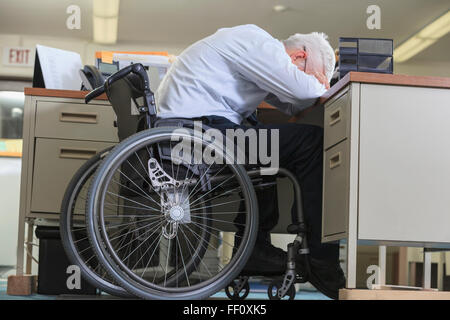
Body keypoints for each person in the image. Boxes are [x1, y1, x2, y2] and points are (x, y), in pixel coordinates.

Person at [155, 24, 345, 299]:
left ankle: (254, 248)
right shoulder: (258, 42)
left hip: (191, 132)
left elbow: (293, 104)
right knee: (312, 142)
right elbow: (303, 93)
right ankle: (319, 258)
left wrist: (316, 84)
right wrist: (325, 86)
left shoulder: (253, 54)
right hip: (196, 136)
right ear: (299, 57)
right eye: (314, 75)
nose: (318, 85)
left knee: (261, 141)